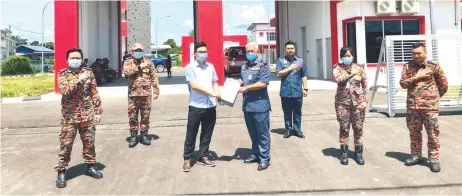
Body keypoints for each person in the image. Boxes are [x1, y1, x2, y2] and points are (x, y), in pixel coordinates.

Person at [55, 48, 103, 188]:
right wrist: (78, 81)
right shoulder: (63, 74)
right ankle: (62, 171)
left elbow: (94, 92)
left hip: (87, 115)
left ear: (81, 59)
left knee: (89, 142)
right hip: (69, 117)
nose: (75, 60)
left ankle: (90, 166)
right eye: (72, 58)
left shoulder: (88, 73)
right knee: (66, 144)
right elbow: (65, 91)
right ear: (67, 60)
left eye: (77, 58)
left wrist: (98, 111)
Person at [399, 42, 448, 173]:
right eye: (414, 53)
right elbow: (403, 84)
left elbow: (443, 85)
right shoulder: (407, 66)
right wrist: (417, 77)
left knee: (432, 134)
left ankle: (434, 159)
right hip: (413, 107)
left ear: (425, 52)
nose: (416, 56)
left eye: (419, 53)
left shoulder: (434, 67)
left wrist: (433, 98)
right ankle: (416, 155)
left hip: (429, 108)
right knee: (414, 133)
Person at [182, 41, 220, 172]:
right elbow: (194, 86)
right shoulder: (190, 67)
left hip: (210, 106)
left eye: (205, 52)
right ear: (195, 54)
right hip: (196, 106)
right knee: (191, 133)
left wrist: (218, 93)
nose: (203, 54)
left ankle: (203, 155)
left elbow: (215, 82)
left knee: (207, 132)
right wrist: (212, 93)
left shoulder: (211, 67)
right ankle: (187, 158)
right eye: (200, 52)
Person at [332, 46, 368, 166]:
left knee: (358, 128)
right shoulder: (337, 68)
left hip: (357, 103)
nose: (347, 58)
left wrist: (365, 101)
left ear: (353, 56)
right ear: (341, 57)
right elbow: (339, 80)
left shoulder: (360, 68)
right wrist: (350, 73)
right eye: (345, 56)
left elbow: (365, 86)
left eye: (349, 55)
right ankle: (344, 152)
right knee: (344, 127)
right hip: (342, 103)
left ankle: (358, 152)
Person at [238, 42, 271, 171]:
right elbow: (243, 80)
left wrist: (245, 87)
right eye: (248, 51)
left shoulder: (263, 65)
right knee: (253, 133)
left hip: (260, 105)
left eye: (252, 51)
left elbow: (263, 83)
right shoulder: (244, 67)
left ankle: (264, 158)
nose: (250, 53)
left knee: (262, 133)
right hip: (247, 106)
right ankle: (256, 154)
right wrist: (236, 84)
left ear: (257, 51)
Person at [122, 43, 160, 148]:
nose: (138, 52)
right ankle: (134, 136)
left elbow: (154, 76)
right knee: (132, 116)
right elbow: (126, 72)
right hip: (133, 94)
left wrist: (156, 89)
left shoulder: (149, 62)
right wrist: (138, 67)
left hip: (146, 94)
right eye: (136, 50)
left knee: (145, 115)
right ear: (132, 51)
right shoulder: (128, 62)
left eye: (140, 50)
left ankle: (144, 135)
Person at [275, 41, 308, 139]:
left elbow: (304, 75)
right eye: (288, 48)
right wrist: (290, 68)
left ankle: (297, 130)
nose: (290, 50)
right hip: (285, 91)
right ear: (285, 49)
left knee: (298, 112)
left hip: (297, 91)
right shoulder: (280, 61)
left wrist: (305, 88)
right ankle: (288, 129)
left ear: (294, 49)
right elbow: (278, 73)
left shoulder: (300, 61)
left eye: (292, 48)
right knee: (287, 112)